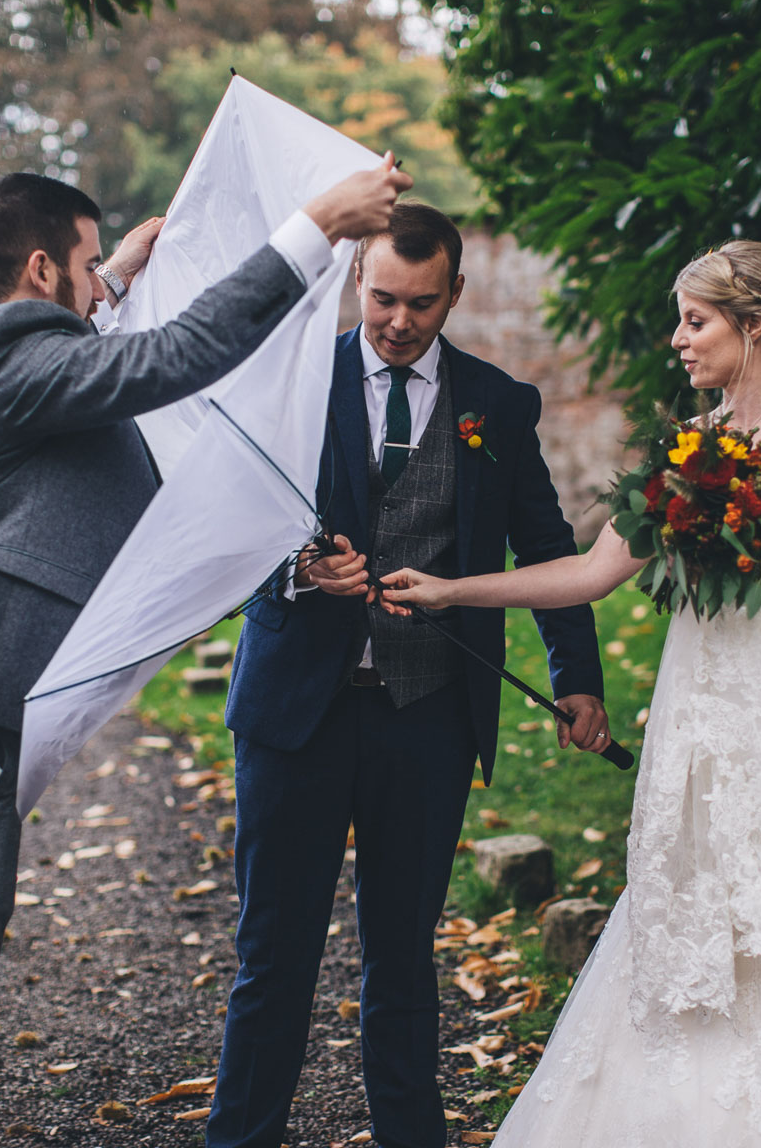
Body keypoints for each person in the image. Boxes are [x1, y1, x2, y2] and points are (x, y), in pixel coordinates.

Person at [0, 161, 411, 1147]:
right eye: (94, 268)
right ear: (45, 270)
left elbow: (77, 391)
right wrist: (316, 225)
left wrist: (126, 281)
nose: (106, 286)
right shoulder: (5, 349)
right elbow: (175, 359)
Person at [382, 241, 761, 1146]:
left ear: (753, 328)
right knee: (682, 906)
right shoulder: (690, 451)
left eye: (694, 322)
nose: (678, 340)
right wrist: (451, 591)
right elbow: (588, 573)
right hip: (696, 725)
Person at [209, 201, 610, 1148]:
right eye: (385, 298)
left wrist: (577, 676)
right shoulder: (293, 381)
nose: (399, 321)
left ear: (455, 295)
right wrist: (297, 568)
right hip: (292, 713)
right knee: (273, 956)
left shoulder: (499, 405)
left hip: (427, 714)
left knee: (402, 957)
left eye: (422, 305)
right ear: (357, 279)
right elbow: (226, 530)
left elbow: (546, 545)